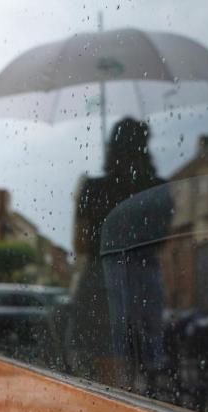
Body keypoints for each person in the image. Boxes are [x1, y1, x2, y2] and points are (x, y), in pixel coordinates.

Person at [67, 117, 165, 384]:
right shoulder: (159, 187)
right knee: (142, 366)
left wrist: (83, 201)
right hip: (144, 278)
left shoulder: (95, 188)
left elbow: (80, 244)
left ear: (112, 148)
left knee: (107, 366)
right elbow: (164, 241)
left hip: (102, 278)